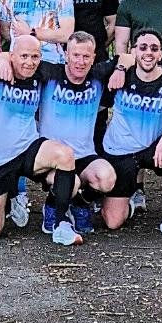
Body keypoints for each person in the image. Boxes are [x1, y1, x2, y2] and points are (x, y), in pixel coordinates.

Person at [0, 34, 79, 243]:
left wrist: (121, 65)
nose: (29, 62)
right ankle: (7, 197)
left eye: (35, 56)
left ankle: (60, 222)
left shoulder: (40, 72)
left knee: (65, 157)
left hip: (27, 149)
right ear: (12, 56)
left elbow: (79, 69)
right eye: (24, 56)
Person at [87, 29, 162, 238]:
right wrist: (119, 66)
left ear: (161, 54)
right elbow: (87, 74)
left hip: (154, 149)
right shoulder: (120, 74)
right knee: (112, 222)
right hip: (119, 152)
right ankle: (127, 203)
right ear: (133, 51)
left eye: (154, 49)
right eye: (143, 47)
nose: (148, 53)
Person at [33, 30, 112, 238]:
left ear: (94, 57)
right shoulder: (49, 74)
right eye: (76, 55)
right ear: (66, 54)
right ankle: (51, 207)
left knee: (106, 178)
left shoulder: (98, 76)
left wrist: (121, 67)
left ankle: (80, 203)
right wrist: (4, 59)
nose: (80, 61)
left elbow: (128, 57)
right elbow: (14, 58)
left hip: (85, 154)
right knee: (71, 182)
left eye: (86, 56)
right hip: (54, 157)